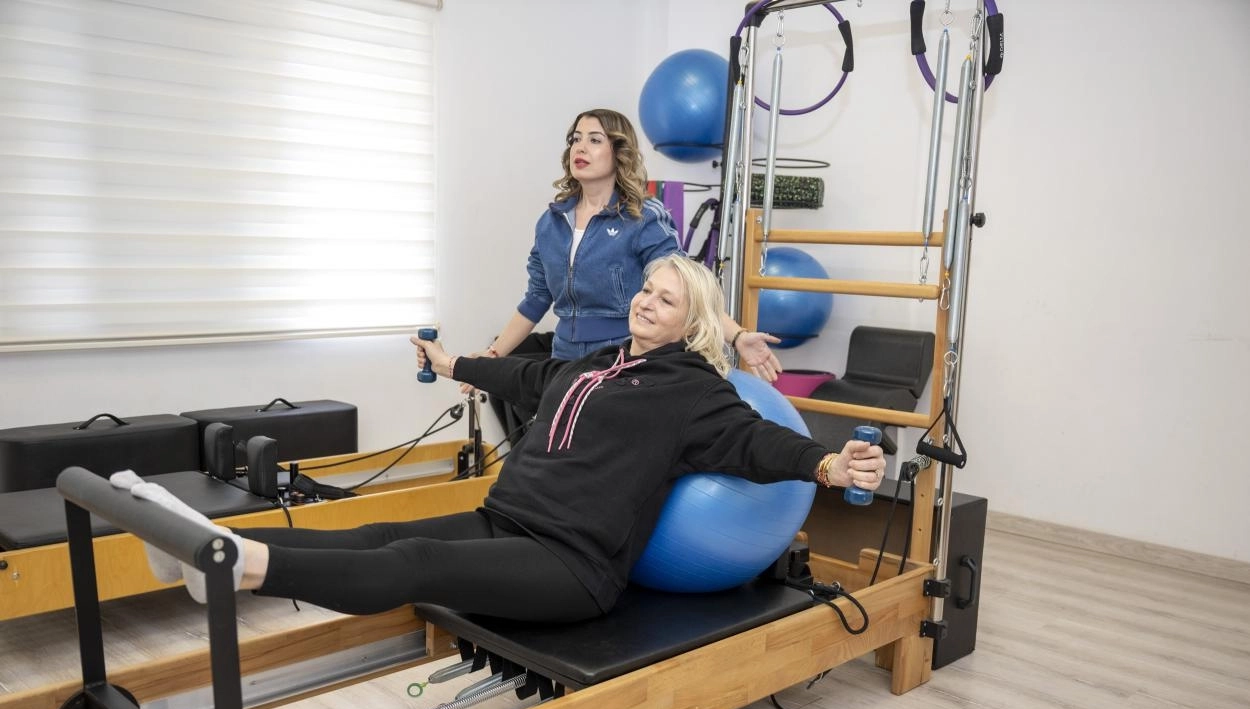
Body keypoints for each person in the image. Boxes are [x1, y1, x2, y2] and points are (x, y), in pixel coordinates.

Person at [115, 254, 884, 623]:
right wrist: (452, 362)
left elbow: (757, 443)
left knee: (414, 563)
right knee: (382, 531)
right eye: (647, 289)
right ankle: (212, 544)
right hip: (506, 519)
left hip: (572, 565)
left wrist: (826, 462)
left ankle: (237, 567)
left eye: (667, 299)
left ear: (695, 322)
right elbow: (523, 376)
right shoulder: (600, 362)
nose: (648, 302)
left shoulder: (694, 392)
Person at [483, 108, 782, 380]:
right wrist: (492, 356)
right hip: (564, 359)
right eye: (576, 139)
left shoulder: (642, 218)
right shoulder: (551, 222)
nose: (580, 147)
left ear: (619, 152)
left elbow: (687, 288)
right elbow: (536, 299)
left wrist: (737, 336)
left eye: (595, 140)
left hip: (623, 358)